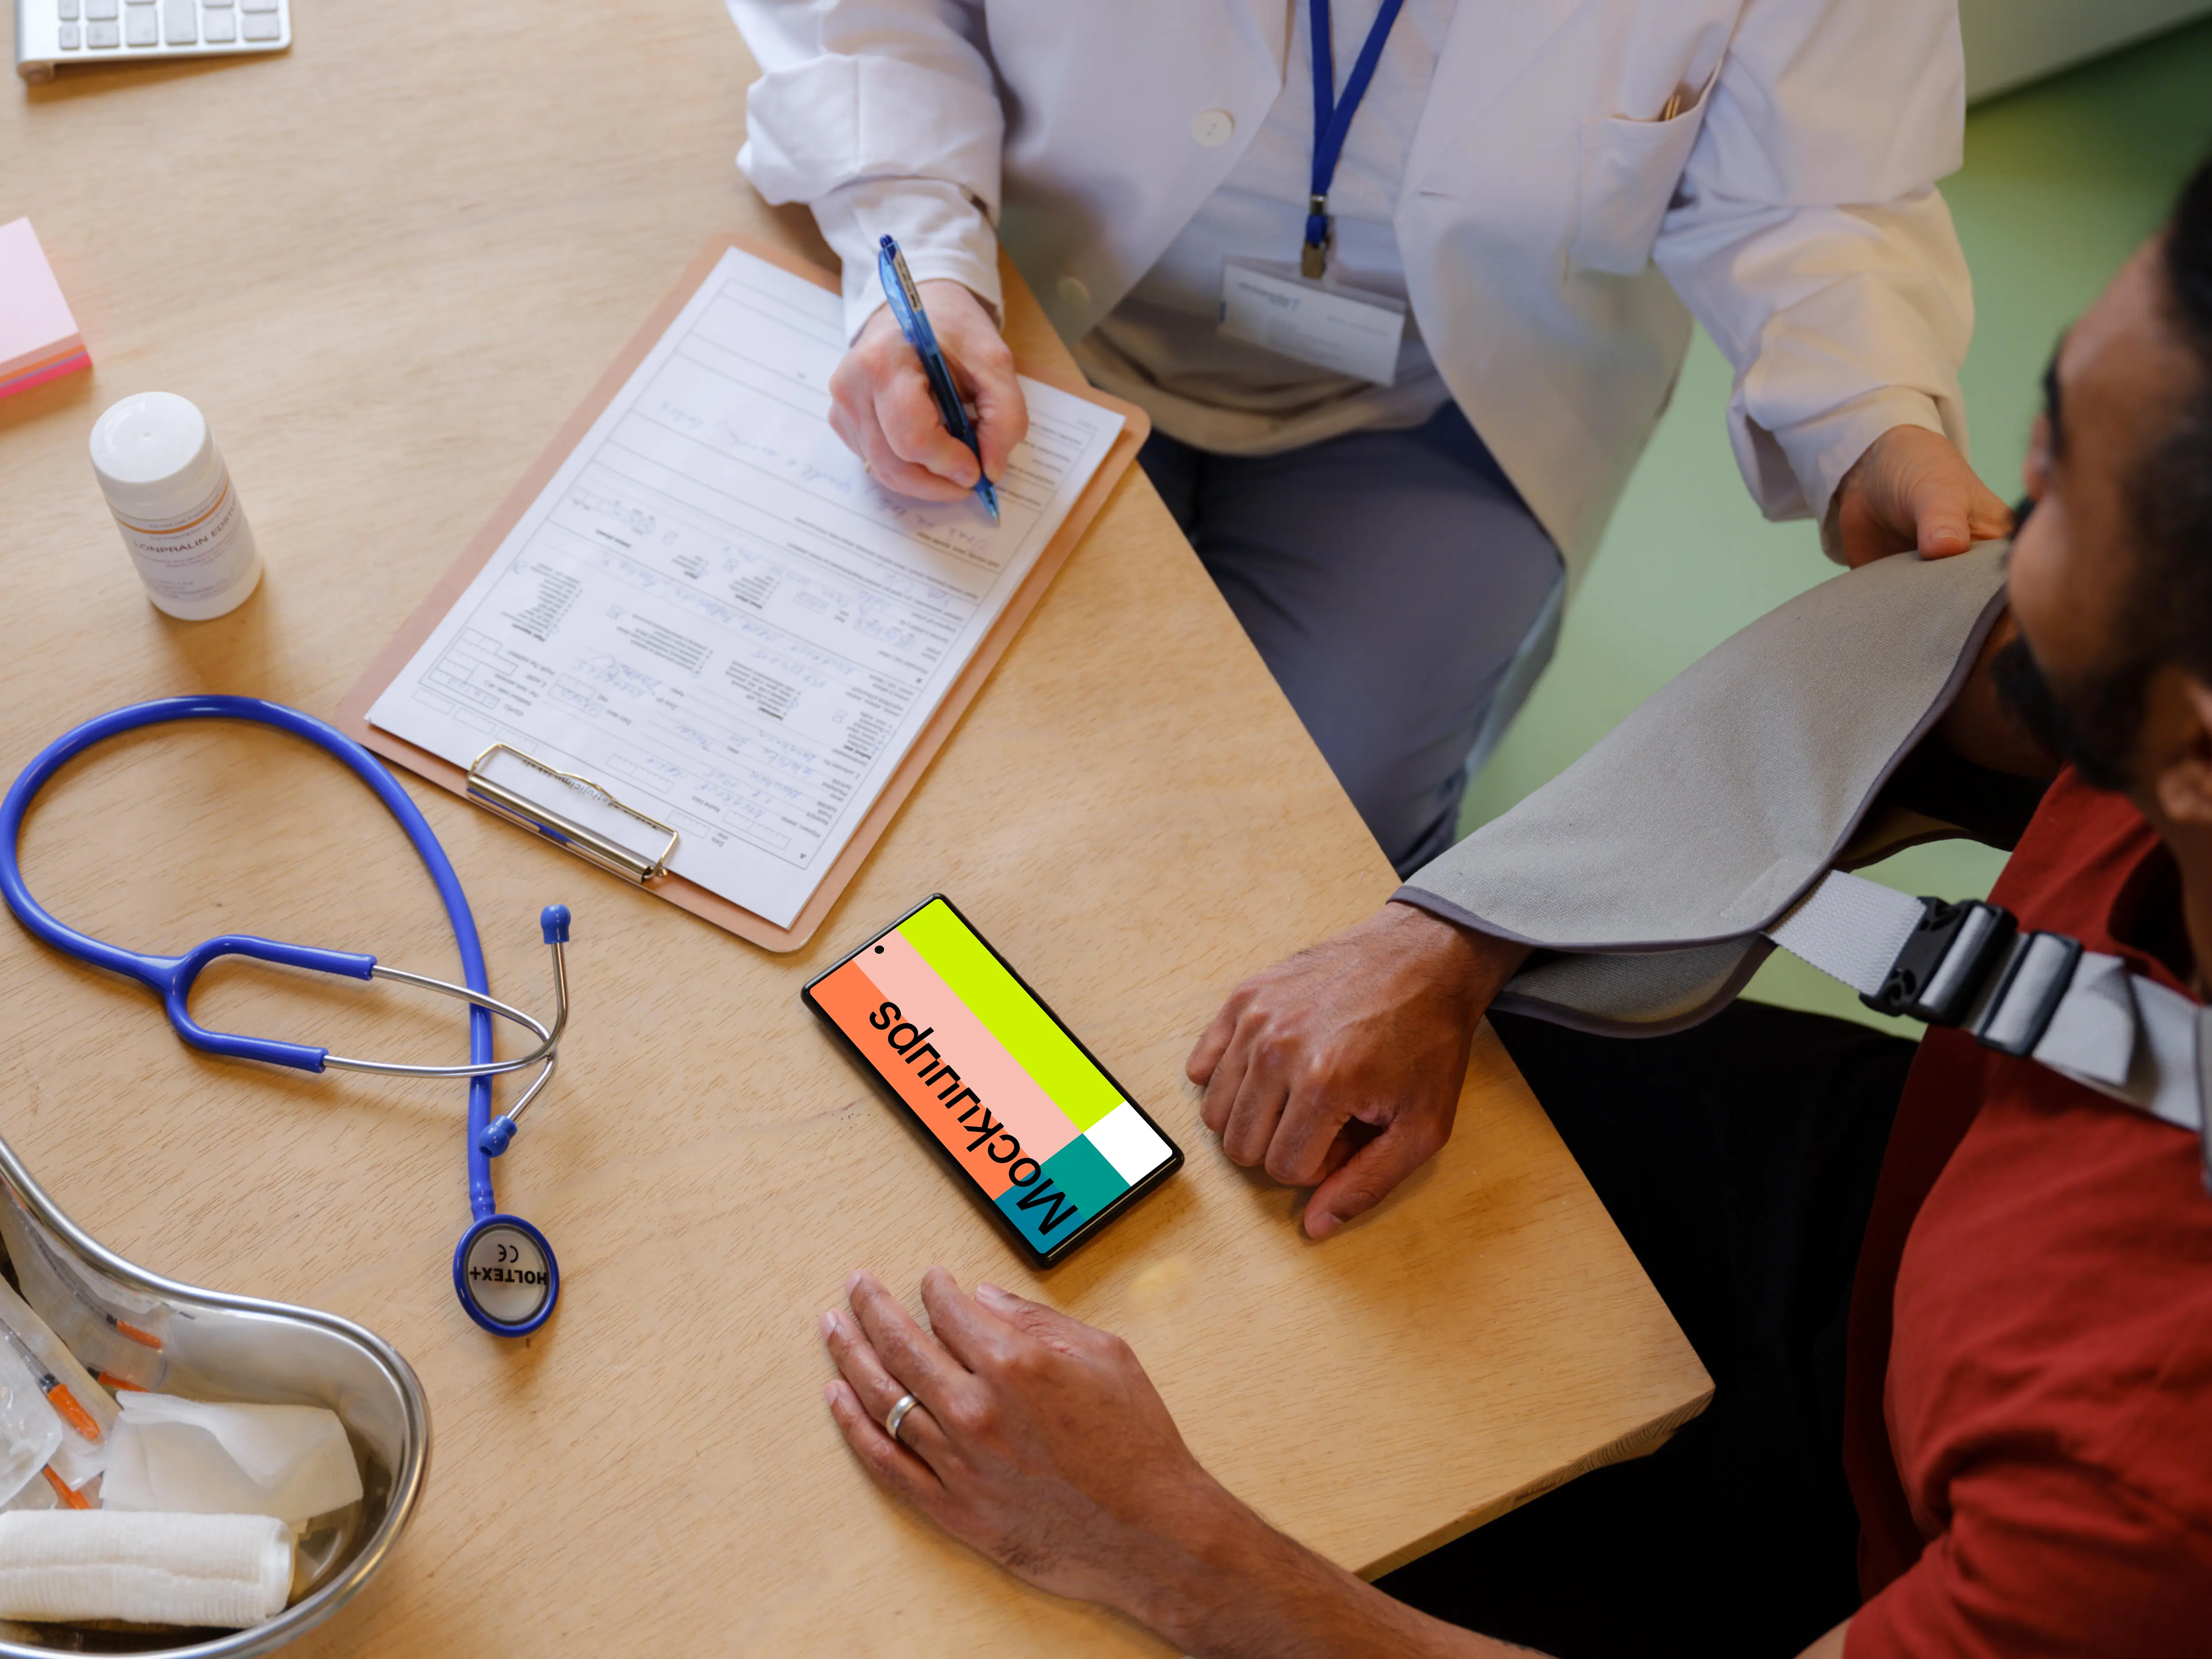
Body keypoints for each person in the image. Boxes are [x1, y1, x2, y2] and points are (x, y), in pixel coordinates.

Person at [809, 157, 2212, 1657]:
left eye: (2060, 487)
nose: (2016, 506)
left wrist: (1167, 1548)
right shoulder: (2167, 703)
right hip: (1903, 1185)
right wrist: (1453, 934)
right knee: (1266, 1119)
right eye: (2047, 422)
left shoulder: (2144, 1480)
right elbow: (1936, 676)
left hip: (1874, 1536)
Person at [724, 0, 2014, 873]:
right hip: (1028, 301)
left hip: (1450, 390)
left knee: (1315, 854)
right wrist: (923, 254)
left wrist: (1874, 418)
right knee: (947, 767)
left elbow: (1813, 186)